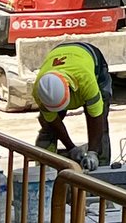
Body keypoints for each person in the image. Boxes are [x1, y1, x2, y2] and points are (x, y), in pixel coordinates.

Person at [32, 42, 112, 171]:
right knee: (48, 128)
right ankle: (44, 171)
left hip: (89, 57)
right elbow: (53, 122)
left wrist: (92, 152)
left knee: (101, 126)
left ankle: (101, 168)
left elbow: (96, 117)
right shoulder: (40, 91)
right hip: (60, 53)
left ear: (69, 90)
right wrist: (71, 148)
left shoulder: (85, 81)